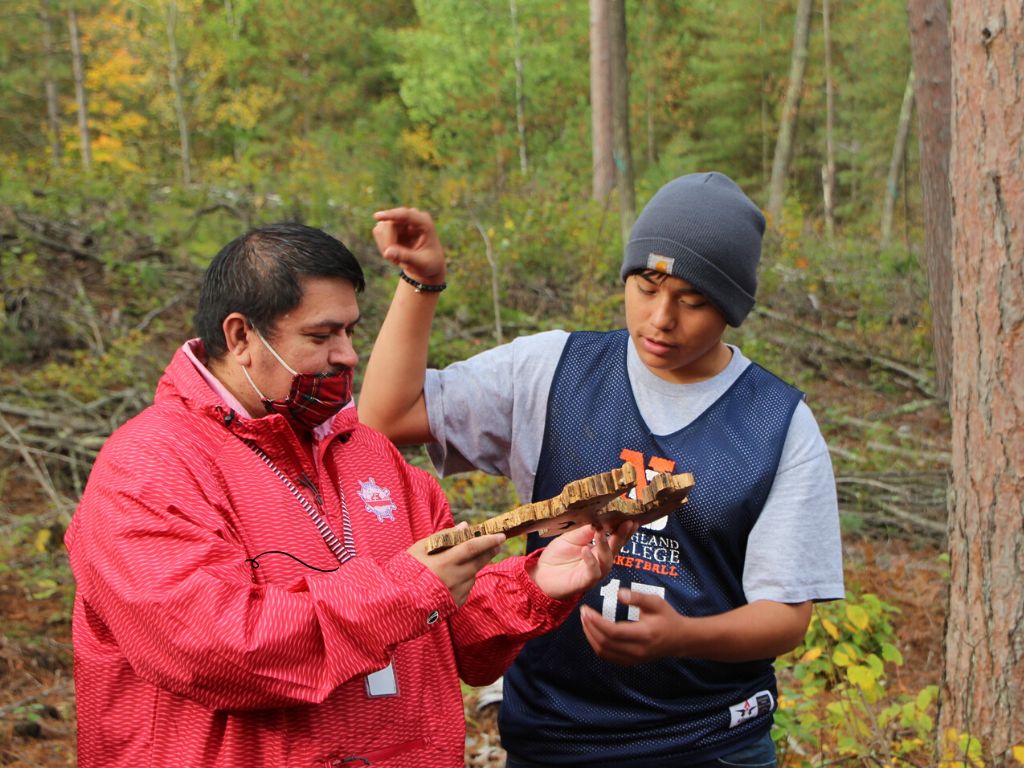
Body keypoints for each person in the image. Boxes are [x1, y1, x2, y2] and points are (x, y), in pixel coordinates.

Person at [65, 222, 636, 768]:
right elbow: (210, 649)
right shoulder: (148, 468)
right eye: (321, 335)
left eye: (350, 330)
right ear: (241, 337)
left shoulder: (369, 453)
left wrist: (535, 584)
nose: (348, 355)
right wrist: (408, 589)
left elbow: (450, 635)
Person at [359, 172, 845, 767]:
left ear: (733, 306)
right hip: (554, 735)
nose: (661, 318)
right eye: (646, 286)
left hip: (709, 742)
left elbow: (786, 616)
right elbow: (388, 416)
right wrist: (420, 282)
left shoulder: (778, 423)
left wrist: (682, 638)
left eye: (692, 301)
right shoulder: (554, 370)